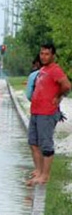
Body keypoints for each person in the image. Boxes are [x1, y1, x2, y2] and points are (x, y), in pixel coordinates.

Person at [27, 43, 71, 185]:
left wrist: (57, 97)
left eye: (47, 54)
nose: (43, 56)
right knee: (33, 143)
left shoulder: (55, 70)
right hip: (35, 111)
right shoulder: (43, 69)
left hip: (47, 112)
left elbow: (67, 86)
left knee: (46, 144)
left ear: (53, 55)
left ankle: (45, 175)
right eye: (42, 54)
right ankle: (39, 172)